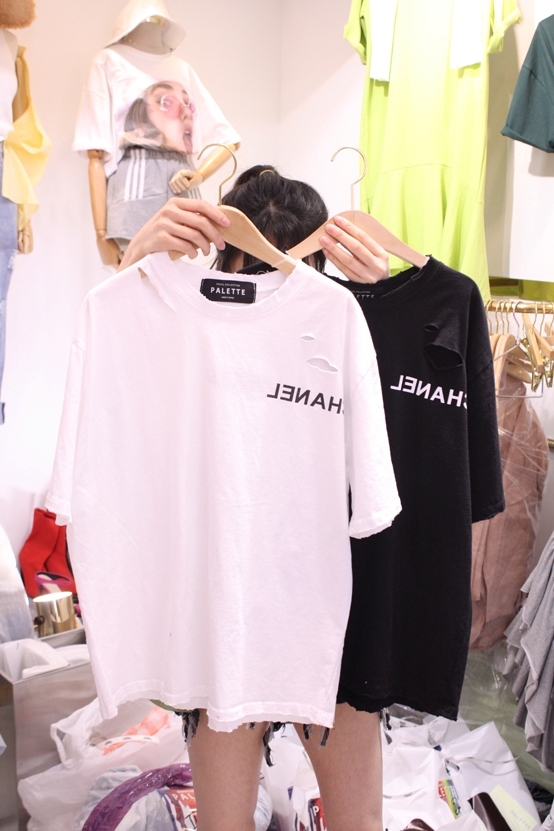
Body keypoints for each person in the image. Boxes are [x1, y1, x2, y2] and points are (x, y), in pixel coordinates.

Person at [118, 165, 391, 831]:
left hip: (321, 612)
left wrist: (387, 303)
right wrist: (135, 264)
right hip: (228, 612)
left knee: (348, 820)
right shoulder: (178, 320)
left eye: (278, 265)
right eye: (250, 265)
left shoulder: (342, 317)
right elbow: (122, 399)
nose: (263, 280)